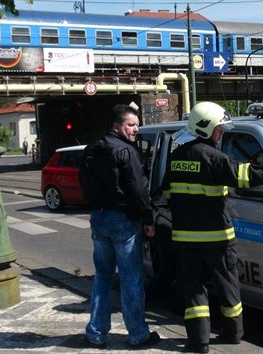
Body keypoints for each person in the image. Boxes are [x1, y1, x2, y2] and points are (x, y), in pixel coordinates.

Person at [164, 102, 263, 353]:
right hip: (217, 239)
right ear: (206, 129)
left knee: (194, 291)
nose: (221, 134)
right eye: (219, 129)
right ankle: (233, 335)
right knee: (228, 287)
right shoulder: (215, 157)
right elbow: (247, 176)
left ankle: (199, 342)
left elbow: (165, 191)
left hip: (185, 239)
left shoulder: (176, 157)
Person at [79, 104, 161, 349]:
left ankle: (95, 333)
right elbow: (139, 189)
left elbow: (83, 181)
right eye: (131, 125)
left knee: (102, 277)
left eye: (136, 125)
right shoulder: (126, 151)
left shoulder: (91, 149)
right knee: (131, 278)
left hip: (99, 218)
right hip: (123, 219)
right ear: (117, 126)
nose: (135, 129)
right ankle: (137, 334)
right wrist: (148, 219)